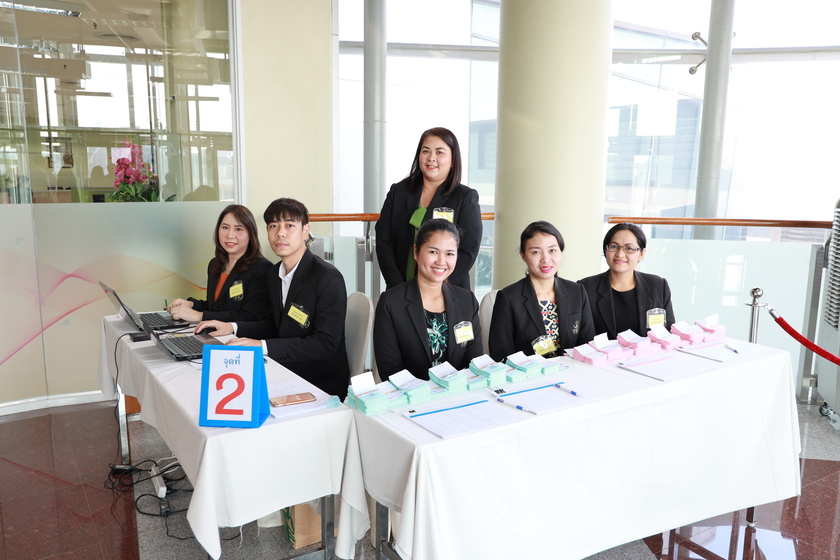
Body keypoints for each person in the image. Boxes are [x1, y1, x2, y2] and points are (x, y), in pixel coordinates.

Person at [195, 198, 350, 398]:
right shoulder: (274, 273)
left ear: (305, 231)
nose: (280, 233)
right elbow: (274, 325)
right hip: (281, 368)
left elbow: (324, 343)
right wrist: (232, 327)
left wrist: (263, 346)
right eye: (273, 226)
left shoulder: (327, 277)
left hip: (318, 381)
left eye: (289, 225)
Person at [374, 219, 483, 380]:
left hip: (458, 391)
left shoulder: (467, 301)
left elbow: (473, 362)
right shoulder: (391, 303)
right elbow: (390, 369)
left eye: (449, 254)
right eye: (433, 252)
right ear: (416, 252)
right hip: (410, 393)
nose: (441, 261)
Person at [375, 127, 482, 291]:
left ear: (453, 160)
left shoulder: (465, 197)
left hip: (447, 290)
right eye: (426, 151)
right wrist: (398, 287)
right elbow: (384, 241)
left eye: (439, 152)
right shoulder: (398, 192)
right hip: (400, 286)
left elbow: (468, 249)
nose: (431, 158)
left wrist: (438, 286)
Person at [488, 221, 595, 362]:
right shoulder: (508, 298)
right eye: (536, 252)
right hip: (527, 373)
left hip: (572, 371)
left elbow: (587, 344)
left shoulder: (577, 291)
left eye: (552, 250)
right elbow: (500, 354)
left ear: (560, 252)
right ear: (523, 255)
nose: (545, 259)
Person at [167, 205, 272, 323]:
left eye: (238, 229)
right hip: (213, 331)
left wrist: (200, 316)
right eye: (225, 227)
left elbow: (250, 316)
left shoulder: (262, 268)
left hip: (239, 334)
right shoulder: (215, 264)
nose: (230, 235)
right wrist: (191, 305)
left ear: (250, 233)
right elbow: (217, 307)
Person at [578, 222, 675, 339]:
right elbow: (580, 338)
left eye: (629, 248)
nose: (620, 254)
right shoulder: (585, 288)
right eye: (614, 247)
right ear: (605, 250)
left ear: (642, 253)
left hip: (649, 351)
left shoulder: (658, 286)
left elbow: (668, 334)